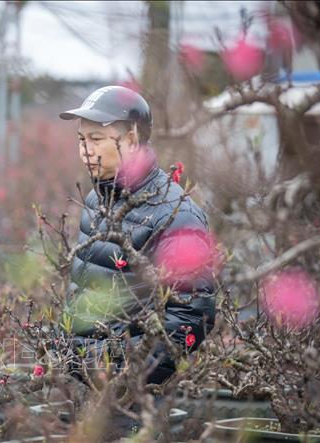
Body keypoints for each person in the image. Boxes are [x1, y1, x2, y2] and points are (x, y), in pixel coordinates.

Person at [59, 86, 216, 385]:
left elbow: (191, 319)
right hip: (85, 382)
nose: (85, 149)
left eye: (96, 139)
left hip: (133, 397)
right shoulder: (96, 198)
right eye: (81, 139)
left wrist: (121, 376)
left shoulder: (175, 213)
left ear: (131, 139)